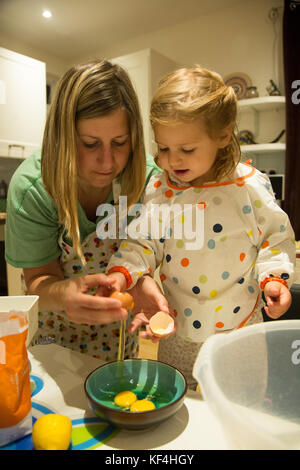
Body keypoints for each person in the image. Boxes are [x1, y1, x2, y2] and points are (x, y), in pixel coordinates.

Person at [106, 65, 296, 388]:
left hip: (240, 332)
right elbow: (142, 241)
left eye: (187, 149)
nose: (172, 161)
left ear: (222, 136)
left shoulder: (249, 186)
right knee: (180, 410)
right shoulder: (160, 188)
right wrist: (124, 271)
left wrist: (275, 280)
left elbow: (275, 238)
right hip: (177, 332)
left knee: (237, 406)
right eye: (163, 149)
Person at [5, 59, 161, 360]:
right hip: (54, 347)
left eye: (120, 142)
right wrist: (64, 295)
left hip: (121, 341)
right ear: (62, 138)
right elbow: (38, 281)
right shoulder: (35, 188)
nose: (107, 162)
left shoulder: (146, 180)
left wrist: (143, 281)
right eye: (90, 144)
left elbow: (145, 252)